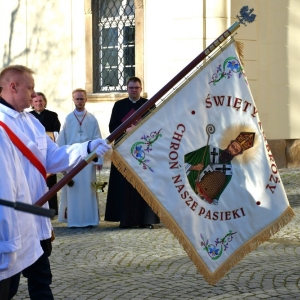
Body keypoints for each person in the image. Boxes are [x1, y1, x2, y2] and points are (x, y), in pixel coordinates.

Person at [0, 65, 111, 300]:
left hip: (36, 218)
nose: (33, 94)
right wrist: (6, 239)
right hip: (12, 223)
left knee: (41, 281)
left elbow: (52, 157)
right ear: (13, 86)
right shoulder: (1, 125)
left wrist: (87, 148)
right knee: (6, 288)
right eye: (29, 88)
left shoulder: (31, 123)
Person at [105, 76, 160, 229]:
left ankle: (145, 219)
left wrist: (140, 129)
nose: (134, 90)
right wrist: (125, 129)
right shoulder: (119, 105)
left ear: (141, 89)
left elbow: (155, 126)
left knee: (144, 183)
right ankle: (126, 219)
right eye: (131, 88)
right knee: (125, 185)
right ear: (127, 89)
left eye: (136, 88)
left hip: (144, 151)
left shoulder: (148, 105)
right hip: (124, 150)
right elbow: (112, 127)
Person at [57, 88, 103, 228]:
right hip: (73, 160)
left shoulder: (92, 119)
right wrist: (62, 162)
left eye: (82, 98)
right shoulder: (68, 119)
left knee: (89, 190)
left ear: (86, 99)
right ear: (73, 100)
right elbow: (61, 141)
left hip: (88, 160)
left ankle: (90, 220)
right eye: (77, 99)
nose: (80, 101)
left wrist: (98, 160)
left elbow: (98, 139)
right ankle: (75, 220)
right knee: (74, 190)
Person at [185, 132, 255, 205]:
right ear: (229, 145)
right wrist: (192, 167)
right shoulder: (208, 150)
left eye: (236, 150)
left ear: (237, 154)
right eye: (233, 146)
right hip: (186, 184)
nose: (232, 150)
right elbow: (184, 160)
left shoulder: (228, 173)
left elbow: (215, 198)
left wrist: (205, 196)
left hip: (196, 199)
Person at [30, 92, 61, 215]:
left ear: (45, 102)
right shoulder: (28, 116)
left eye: (40, 101)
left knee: (50, 183)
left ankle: (52, 209)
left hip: (48, 151)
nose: (38, 103)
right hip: (33, 153)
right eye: (36, 101)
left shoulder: (52, 115)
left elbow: (56, 131)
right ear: (32, 103)